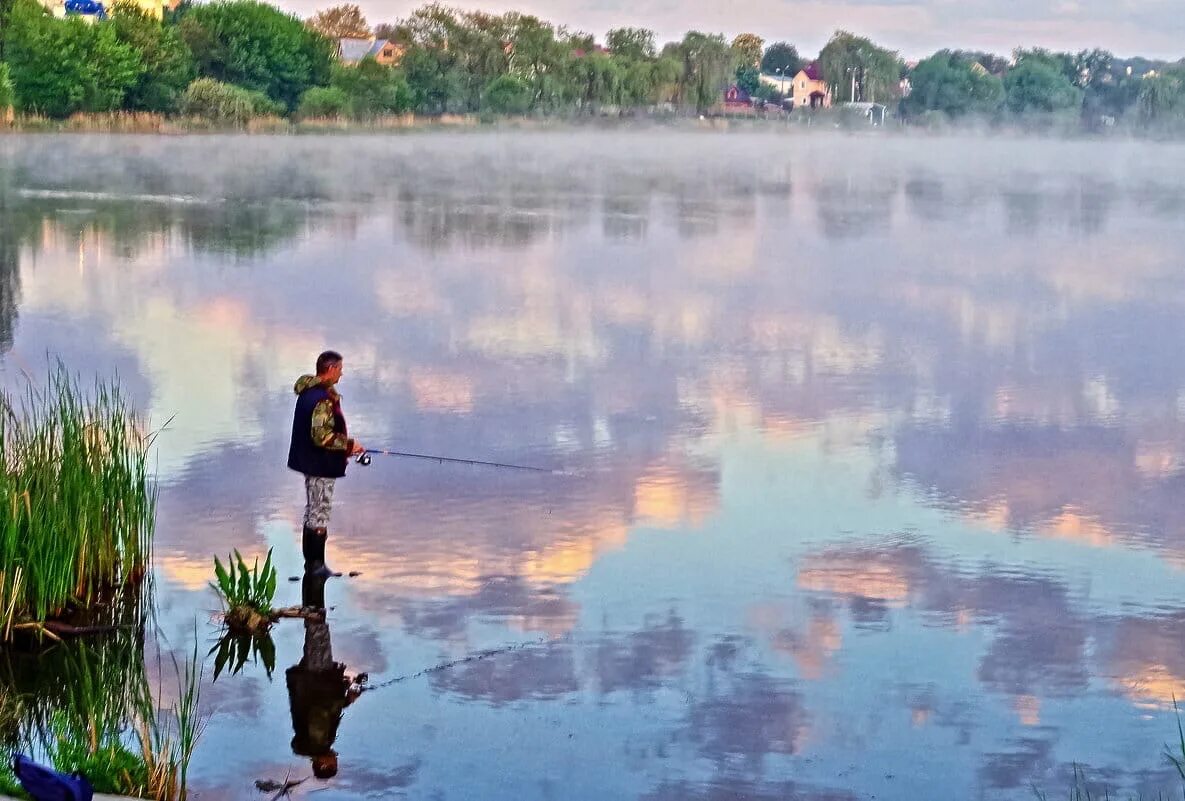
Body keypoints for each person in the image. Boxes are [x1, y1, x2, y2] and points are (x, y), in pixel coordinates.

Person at [288, 350, 365, 577]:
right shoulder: (321, 398)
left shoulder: (308, 392)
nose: (341, 374)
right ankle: (316, 567)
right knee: (319, 512)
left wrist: (344, 449)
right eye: (340, 369)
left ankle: (312, 565)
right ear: (330, 369)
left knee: (313, 511)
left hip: (311, 462)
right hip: (319, 465)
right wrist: (349, 446)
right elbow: (321, 436)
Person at [286, 572, 363, 781]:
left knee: (317, 628)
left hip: (316, 677)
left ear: (322, 763)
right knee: (316, 629)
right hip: (312, 679)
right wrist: (346, 696)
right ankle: (313, 595)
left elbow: (320, 707)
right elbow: (324, 707)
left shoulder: (319, 741)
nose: (335, 757)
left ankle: (313, 596)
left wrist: (345, 691)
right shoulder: (317, 742)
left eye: (333, 762)